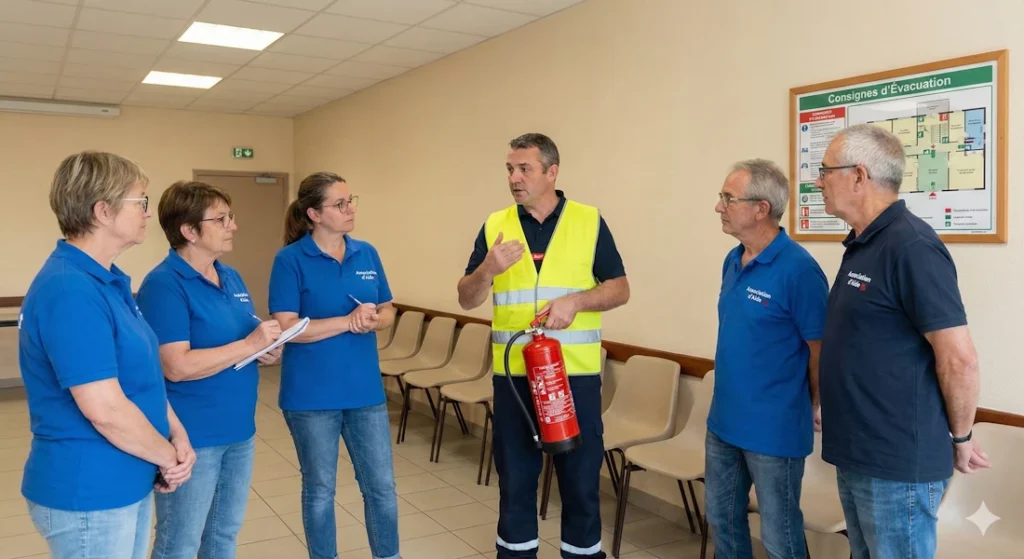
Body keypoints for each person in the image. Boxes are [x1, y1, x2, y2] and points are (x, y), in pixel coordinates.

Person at [817, 124, 990, 559]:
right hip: (858, 450)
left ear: (858, 176)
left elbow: (959, 358)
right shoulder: (864, 243)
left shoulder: (911, 245)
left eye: (824, 172)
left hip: (895, 463)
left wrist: (961, 437)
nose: (818, 183)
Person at [457, 133, 630, 559]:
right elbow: (466, 298)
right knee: (515, 481)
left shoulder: (589, 221)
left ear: (552, 172)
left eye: (524, 169)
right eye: (509, 170)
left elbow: (620, 289)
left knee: (580, 482)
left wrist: (577, 301)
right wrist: (487, 269)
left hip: (574, 377)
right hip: (514, 378)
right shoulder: (495, 225)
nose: (514, 178)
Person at [18, 151, 195, 559]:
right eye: (141, 201)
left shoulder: (107, 282)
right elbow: (105, 409)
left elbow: (142, 379)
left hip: (128, 474)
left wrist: (176, 433)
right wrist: (168, 457)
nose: (148, 213)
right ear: (102, 211)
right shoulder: (70, 289)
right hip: (90, 490)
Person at [136, 180, 283, 559]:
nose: (233, 226)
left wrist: (265, 349)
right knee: (180, 543)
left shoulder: (229, 276)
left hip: (239, 430)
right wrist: (248, 345)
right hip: (193, 437)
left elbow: (243, 337)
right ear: (189, 230)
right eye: (221, 219)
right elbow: (176, 366)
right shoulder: (164, 285)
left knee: (222, 536)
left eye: (230, 217)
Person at [268, 172, 399, 559]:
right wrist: (346, 322)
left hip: (365, 393)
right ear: (314, 214)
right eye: (339, 204)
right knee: (320, 490)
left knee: (381, 487)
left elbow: (389, 308)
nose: (349, 209)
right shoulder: (290, 260)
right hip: (311, 398)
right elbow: (287, 328)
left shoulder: (367, 253)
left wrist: (375, 320)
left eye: (350, 201)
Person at [706, 159, 828, 558]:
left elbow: (820, 350)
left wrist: (815, 403)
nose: (719, 206)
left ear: (761, 208)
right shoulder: (733, 259)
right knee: (722, 521)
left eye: (728, 198)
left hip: (774, 430)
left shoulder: (800, 271)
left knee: (780, 537)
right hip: (723, 421)